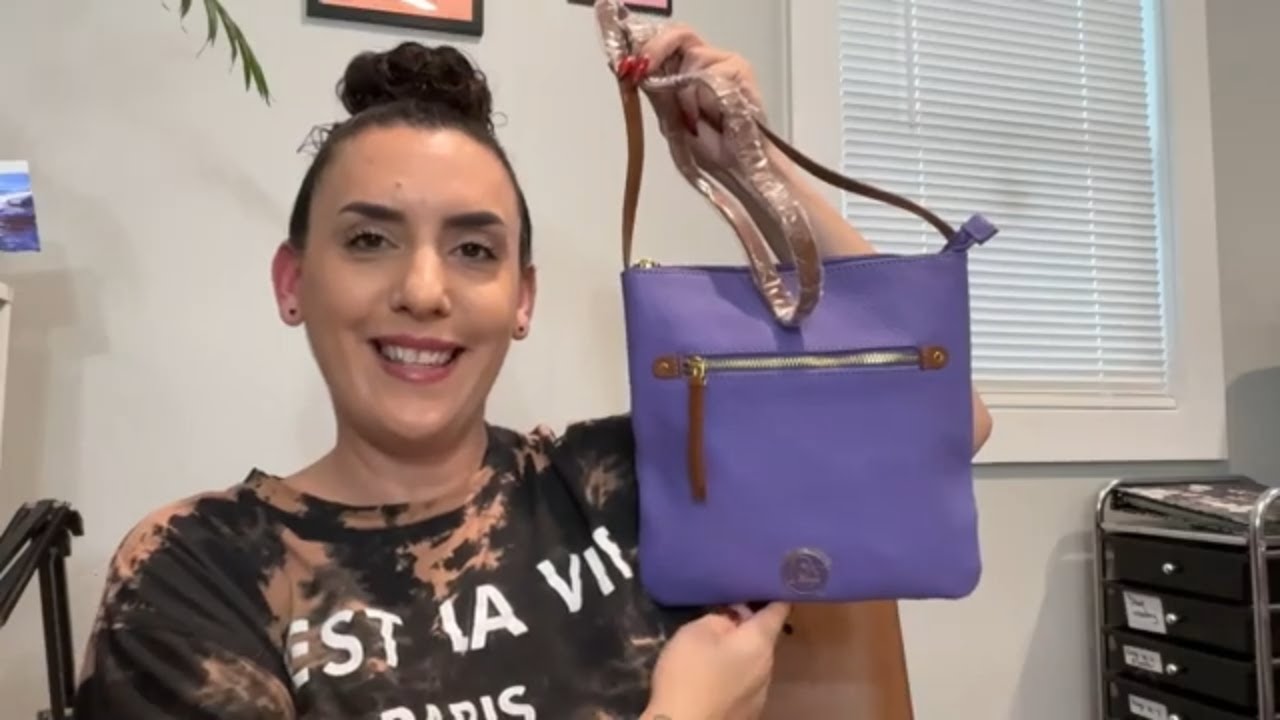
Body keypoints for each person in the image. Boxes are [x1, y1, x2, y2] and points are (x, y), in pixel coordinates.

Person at [71, 21, 993, 720]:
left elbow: (936, 422)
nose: (424, 291)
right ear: (292, 282)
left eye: (474, 250)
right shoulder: (199, 572)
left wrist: (756, 171)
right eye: (369, 240)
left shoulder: (626, 488)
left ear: (523, 298)